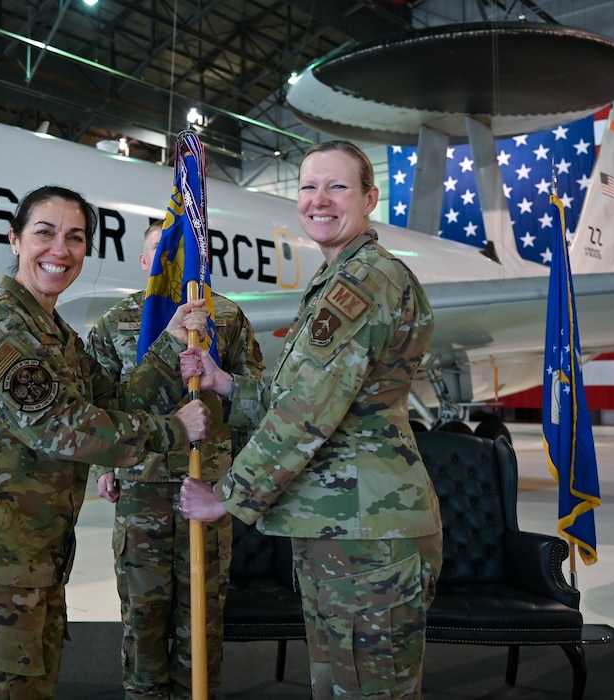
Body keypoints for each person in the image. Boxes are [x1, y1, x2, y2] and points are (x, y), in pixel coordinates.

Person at [0, 185, 212, 700]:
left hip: (30, 555)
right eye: (44, 233)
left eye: (75, 238)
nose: (61, 250)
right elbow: (60, 427)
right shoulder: (1, 325)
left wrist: (168, 342)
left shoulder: (53, 332)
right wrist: (175, 430)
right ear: (14, 239)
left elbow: (115, 398)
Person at [179, 141, 442, 700]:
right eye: (307, 187)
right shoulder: (336, 278)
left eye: (337, 187)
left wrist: (227, 496)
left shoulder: (364, 282)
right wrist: (226, 383)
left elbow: (308, 410)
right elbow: (299, 392)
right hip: (340, 527)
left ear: (370, 198)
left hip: (366, 533)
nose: (318, 200)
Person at [87, 219, 265, 700]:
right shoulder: (114, 323)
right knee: (143, 613)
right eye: (162, 254)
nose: (174, 263)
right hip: (140, 487)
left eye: (185, 255)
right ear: (146, 262)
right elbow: (100, 404)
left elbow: (255, 400)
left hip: (204, 487)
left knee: (201, 614)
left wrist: (243, 476)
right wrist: (104, 466)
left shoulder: (226, 318)